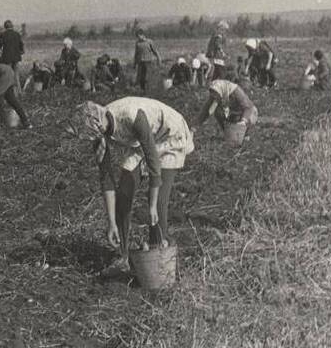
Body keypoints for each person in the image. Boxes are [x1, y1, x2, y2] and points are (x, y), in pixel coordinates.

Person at [72, 98, 194, 252]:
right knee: (124, 192)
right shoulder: (98, 135)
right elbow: (106, 178)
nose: (93, 138)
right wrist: (111, 223)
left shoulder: (131, 116)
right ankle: (122, 254)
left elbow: (154, 163)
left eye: (93, 133)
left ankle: (159, 256)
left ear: (97, 123)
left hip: (169, 134)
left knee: (158, 203)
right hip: (141, 140)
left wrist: (151, 206)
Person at [193, 79, 259, 133]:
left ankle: (245, 133)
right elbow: (206, 110)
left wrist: (243, 121)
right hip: (233, 114)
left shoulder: (236, 92)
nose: (213, 97)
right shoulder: (216, 92)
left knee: (246, 121)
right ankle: (227, 132)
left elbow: (248, 107)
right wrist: (195, 126)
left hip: (248, 113)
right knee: (218, 112)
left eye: (215, 95)